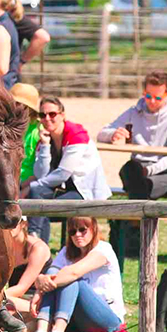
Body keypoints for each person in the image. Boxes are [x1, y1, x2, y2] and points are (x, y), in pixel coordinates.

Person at [22, 217, 125, 332]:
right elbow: (51, 273)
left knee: (70, 278)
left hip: (108, 319)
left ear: (93, 229)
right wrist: (41, 279)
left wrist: (40, 290)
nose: (77, 235)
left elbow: (73, 273)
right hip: (77, 318)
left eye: (82, 230)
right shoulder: (66, 251)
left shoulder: (104, 249)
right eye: (72, 231)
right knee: (54, 272)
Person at [22, 96, 111, 244]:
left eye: (52, 114)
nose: (47, 118)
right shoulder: (45, 137)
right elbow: (41, 174)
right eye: (42, 115)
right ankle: (37, 242)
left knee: (39, 204)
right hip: (64, 190)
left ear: (62, 115)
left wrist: (30, 187)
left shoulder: (76, 134)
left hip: (85, 192)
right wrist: (44, 146)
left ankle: (35, 242)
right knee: (37, 196)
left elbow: (63, 173)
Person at [98, 71, 167, 200]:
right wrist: (113, 134)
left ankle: (125, 218)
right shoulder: (133, 112)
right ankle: (131, 217)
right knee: (130, 169)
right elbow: (101, 133)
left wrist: (150, 170)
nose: (151, 101)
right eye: (147, 96)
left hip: (165, 171)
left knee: (141, 185)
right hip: (137, 168)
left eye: (158, 98)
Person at [2, 218, 52, 314]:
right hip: (14, 300)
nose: (8, 227)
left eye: (12, 222)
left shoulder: (38, 248)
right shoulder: (4, 247)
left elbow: (22, 288)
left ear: (23, 224)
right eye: (4, 222)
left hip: (37, 302)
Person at [11, 83, 41, 184]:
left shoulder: (38, 131)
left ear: (30, 109)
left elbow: (41, 169)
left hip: (26, 183)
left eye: (21, 105)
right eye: (14, 104)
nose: (16, 108)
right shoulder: (4, 125)